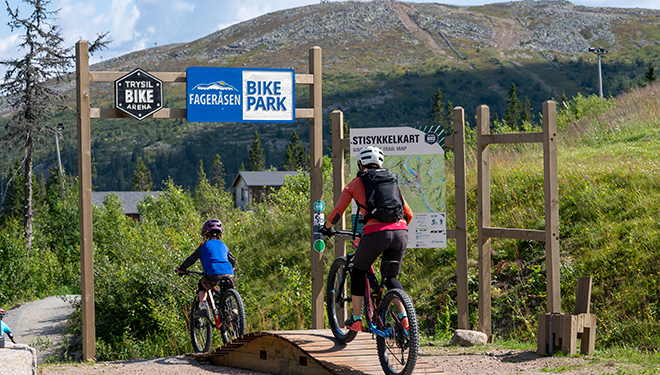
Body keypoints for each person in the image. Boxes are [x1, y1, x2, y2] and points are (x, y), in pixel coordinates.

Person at [320, 146, 413, 332]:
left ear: (360, 164)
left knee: (358, 271)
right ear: (380, 164)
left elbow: (338, 212)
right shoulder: (391, 182)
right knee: (391, 277)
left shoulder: (355, 184)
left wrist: (326, 228)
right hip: (401, 232)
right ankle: (404, 317)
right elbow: (408, 214)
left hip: (375, 234)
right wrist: (395, 230)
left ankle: (355, 319)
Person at [176, 219, 236, 318]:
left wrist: (182, 268)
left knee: (202, 286)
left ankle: (203, 308)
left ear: (205, 234)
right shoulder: (224, 245)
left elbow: (192, 259)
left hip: (213, 273)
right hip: (229, 273)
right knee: (227, 295)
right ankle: (235, 316)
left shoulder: (204, 246)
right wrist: (231, 268)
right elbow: (232, 260)